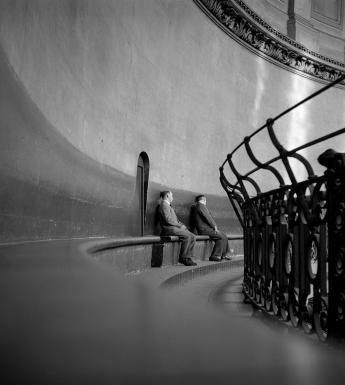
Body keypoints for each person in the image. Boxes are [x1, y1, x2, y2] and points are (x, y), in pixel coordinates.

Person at [157, 191, 197, 266]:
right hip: (169, 229)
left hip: (174, 228)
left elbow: (174, 220)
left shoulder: (167, 205)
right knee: (187, 236)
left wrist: (182, 225)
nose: (172, 197)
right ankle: (183, 258)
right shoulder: (164, 205)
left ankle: (188, 257)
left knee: (193, 236)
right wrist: (180, 226)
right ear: (167, 196)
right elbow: (168, 220)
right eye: (172, 195)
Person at [192, 194, 232, 262]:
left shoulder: (199, 206)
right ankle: (215, 256)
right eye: (205, 200)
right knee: (221, 236)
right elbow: (208, 217)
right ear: (203, 200)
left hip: (206, 229)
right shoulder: (201, 206)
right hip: (204, 230)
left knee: (224, 235)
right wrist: (215, 227)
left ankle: (224, 254)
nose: (206, 201)